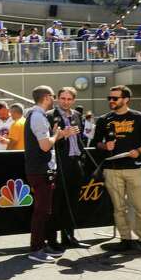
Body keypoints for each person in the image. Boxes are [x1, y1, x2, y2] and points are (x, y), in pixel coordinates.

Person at [90, 86, 141, 253]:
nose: (111, 101)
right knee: (119, 208)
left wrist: (138, 152)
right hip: (112, 169)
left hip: (134, 169)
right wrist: (105, 145)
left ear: (126, 99)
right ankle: (125, 240)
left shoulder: (139, 118)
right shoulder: (104, 119)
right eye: (109, 98)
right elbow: (95, 143)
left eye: (115, 98)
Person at [22, 86, 71, 263]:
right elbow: (45, 146)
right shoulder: (38, 117)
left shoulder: (36, 116)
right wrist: (57, 135)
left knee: (44, 211)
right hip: (40, 170)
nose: (54, 99)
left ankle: (41, 246)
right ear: (45, 98)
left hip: (40, 169)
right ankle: (36, 249)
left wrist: (57, 134)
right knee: (41, 212)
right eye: (52, 96)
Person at [48, 87, 90, 249]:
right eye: (63, 98)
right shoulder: (50, 116)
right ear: (57, 99)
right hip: (59, 164)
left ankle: (69, 238)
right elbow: (46, 142)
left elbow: (81, 139)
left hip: (76, 163)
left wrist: (82, 160)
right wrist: (62, 134)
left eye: (69, 99)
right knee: (56, 204)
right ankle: (52, 241)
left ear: (73, 100)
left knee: (72, 203)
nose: (65, 102)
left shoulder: (77, 115)